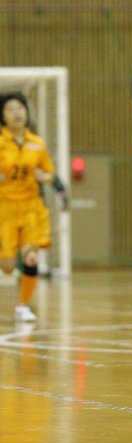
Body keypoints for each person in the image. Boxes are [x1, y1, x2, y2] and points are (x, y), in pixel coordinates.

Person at [0, 92, 57, 322]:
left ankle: (23, 305)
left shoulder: (37, 143)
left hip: (32, 206)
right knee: (7, 267)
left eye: (20, 108)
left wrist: (45, 177)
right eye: (11, 109)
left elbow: (51, 174)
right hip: (5, 207)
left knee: (31, 258)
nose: (17, 113)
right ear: (3, 116)